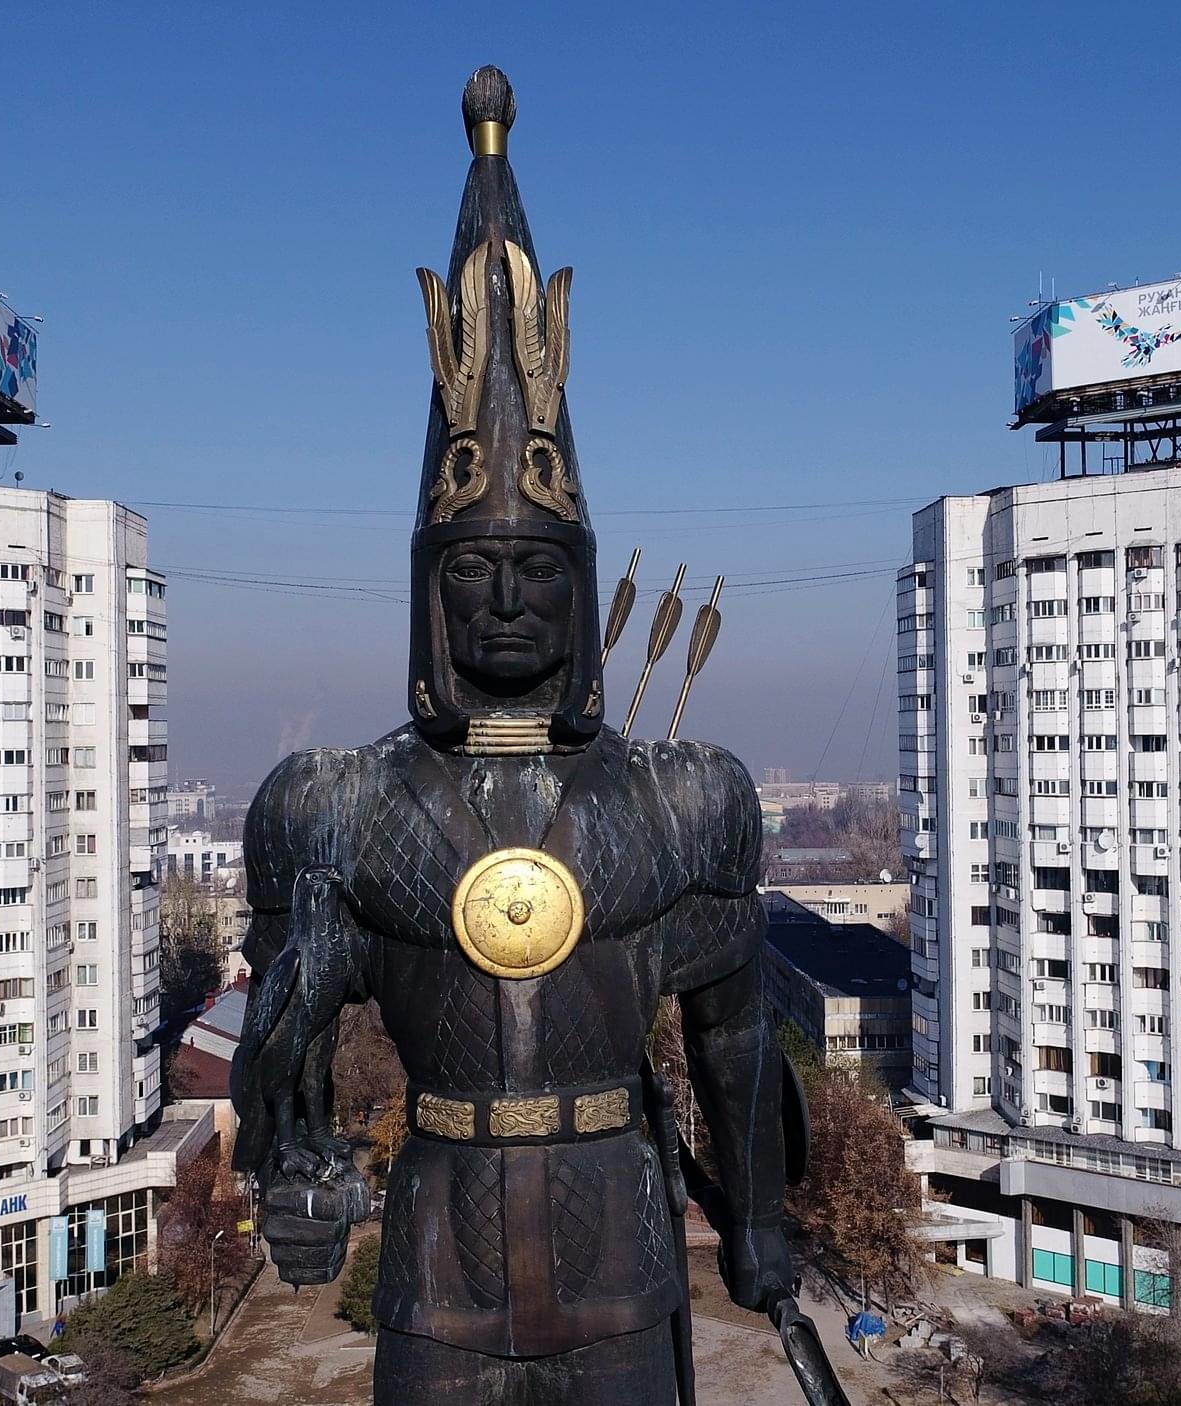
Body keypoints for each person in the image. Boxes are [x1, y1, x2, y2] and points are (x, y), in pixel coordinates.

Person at [229, 66, 796, 1406]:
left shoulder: (681, 804)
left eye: (532, 569)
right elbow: (283, 1035)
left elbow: (738, 1034)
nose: (500, 599)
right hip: (439, 1265)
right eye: (469, 571)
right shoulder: (341, 807)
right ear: (426, 591)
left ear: (579, 583)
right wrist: (287, 1162)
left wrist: (763, 1216)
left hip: (623, 1263)